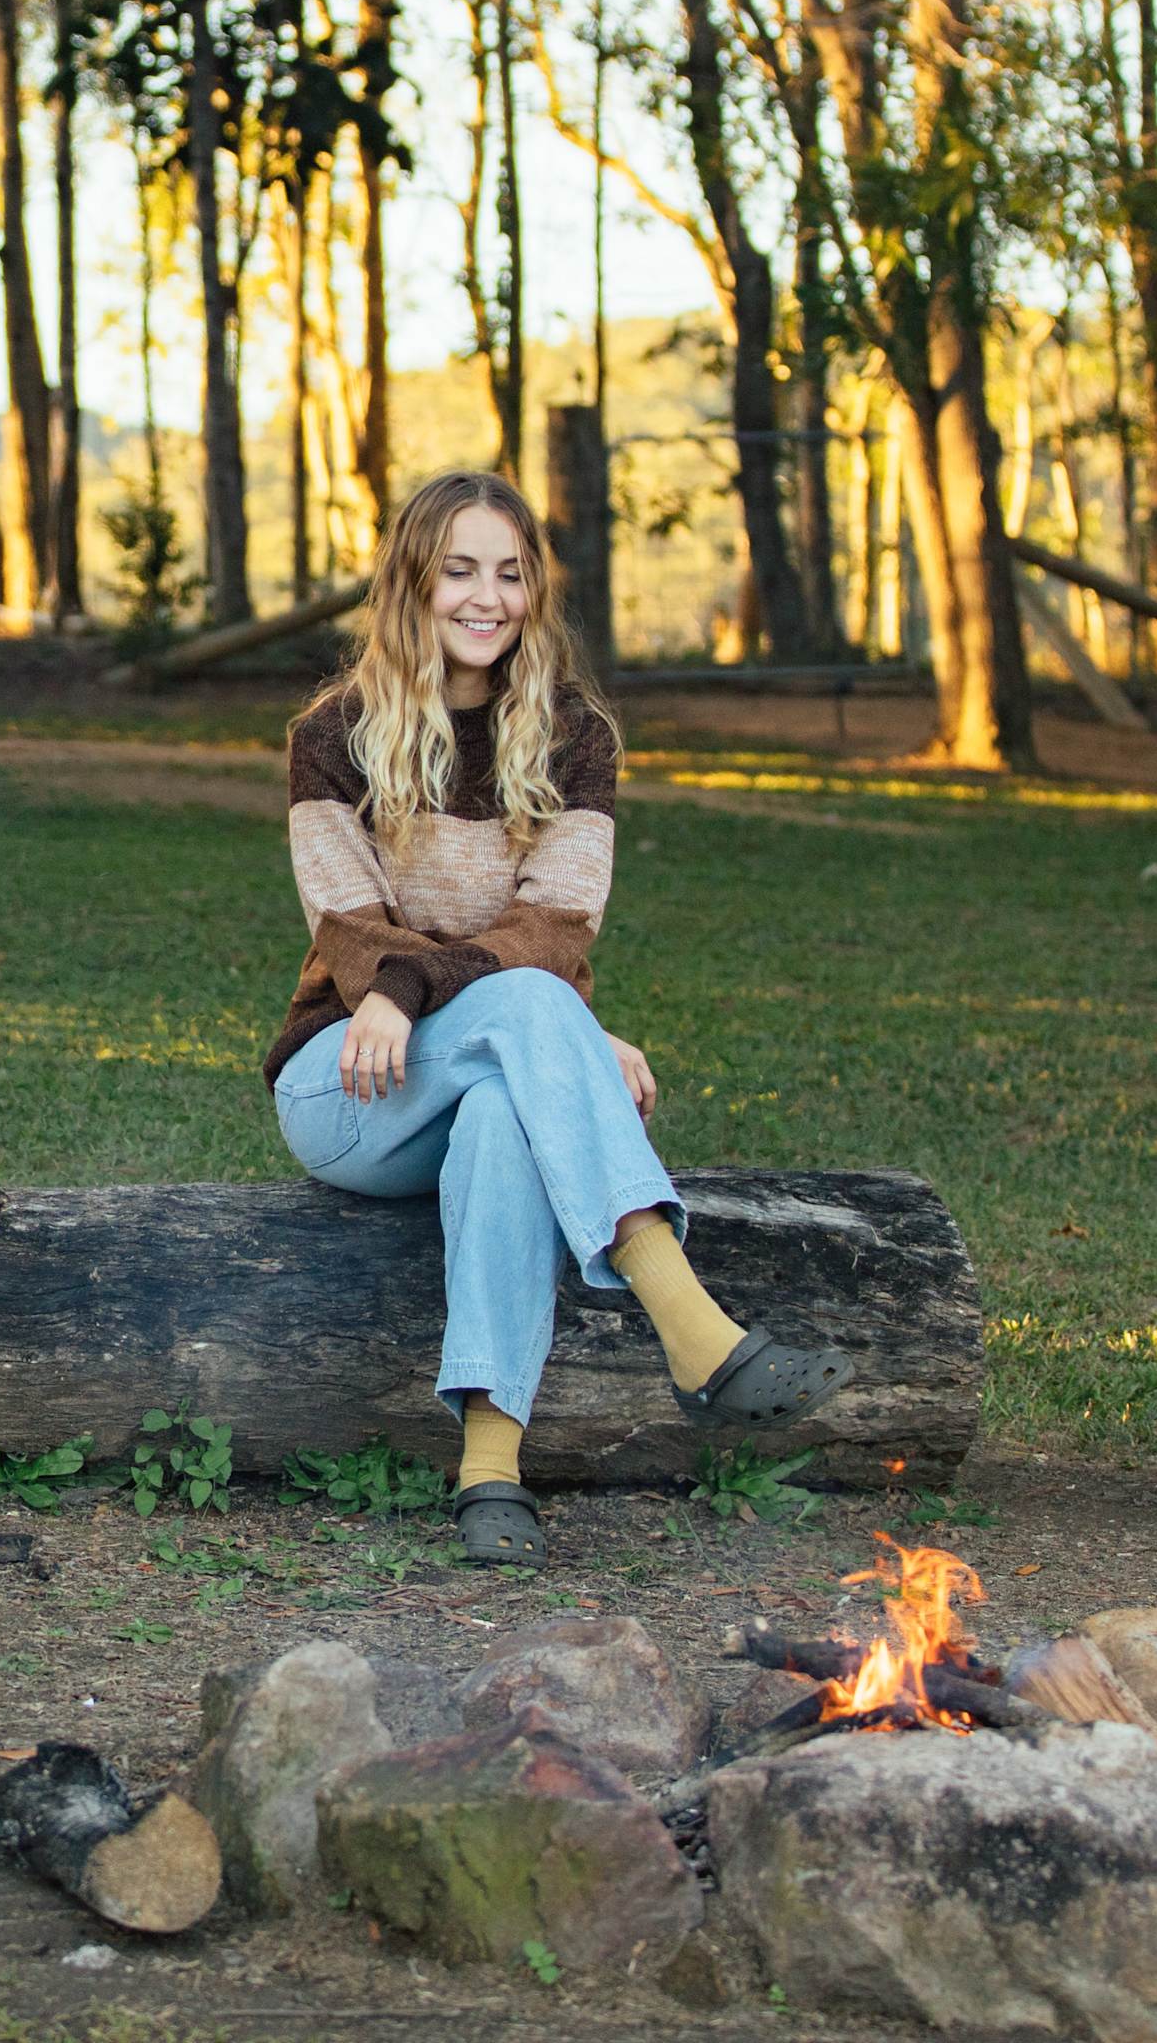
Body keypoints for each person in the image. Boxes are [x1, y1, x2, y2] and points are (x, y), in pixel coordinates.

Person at [266, 469, 850, 1568]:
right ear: (412, 583)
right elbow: (350, 936)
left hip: (478, 1064)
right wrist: (501, 1012)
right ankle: (692, 1329)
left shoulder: (574, 735)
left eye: (512, 571)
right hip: (347, 1083)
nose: (487, 597)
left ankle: (491, 1474)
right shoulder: (333, 733)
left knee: (502, 1111)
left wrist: (530, 1016)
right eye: (460, 571)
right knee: (527, 1014)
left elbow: (557, 929)